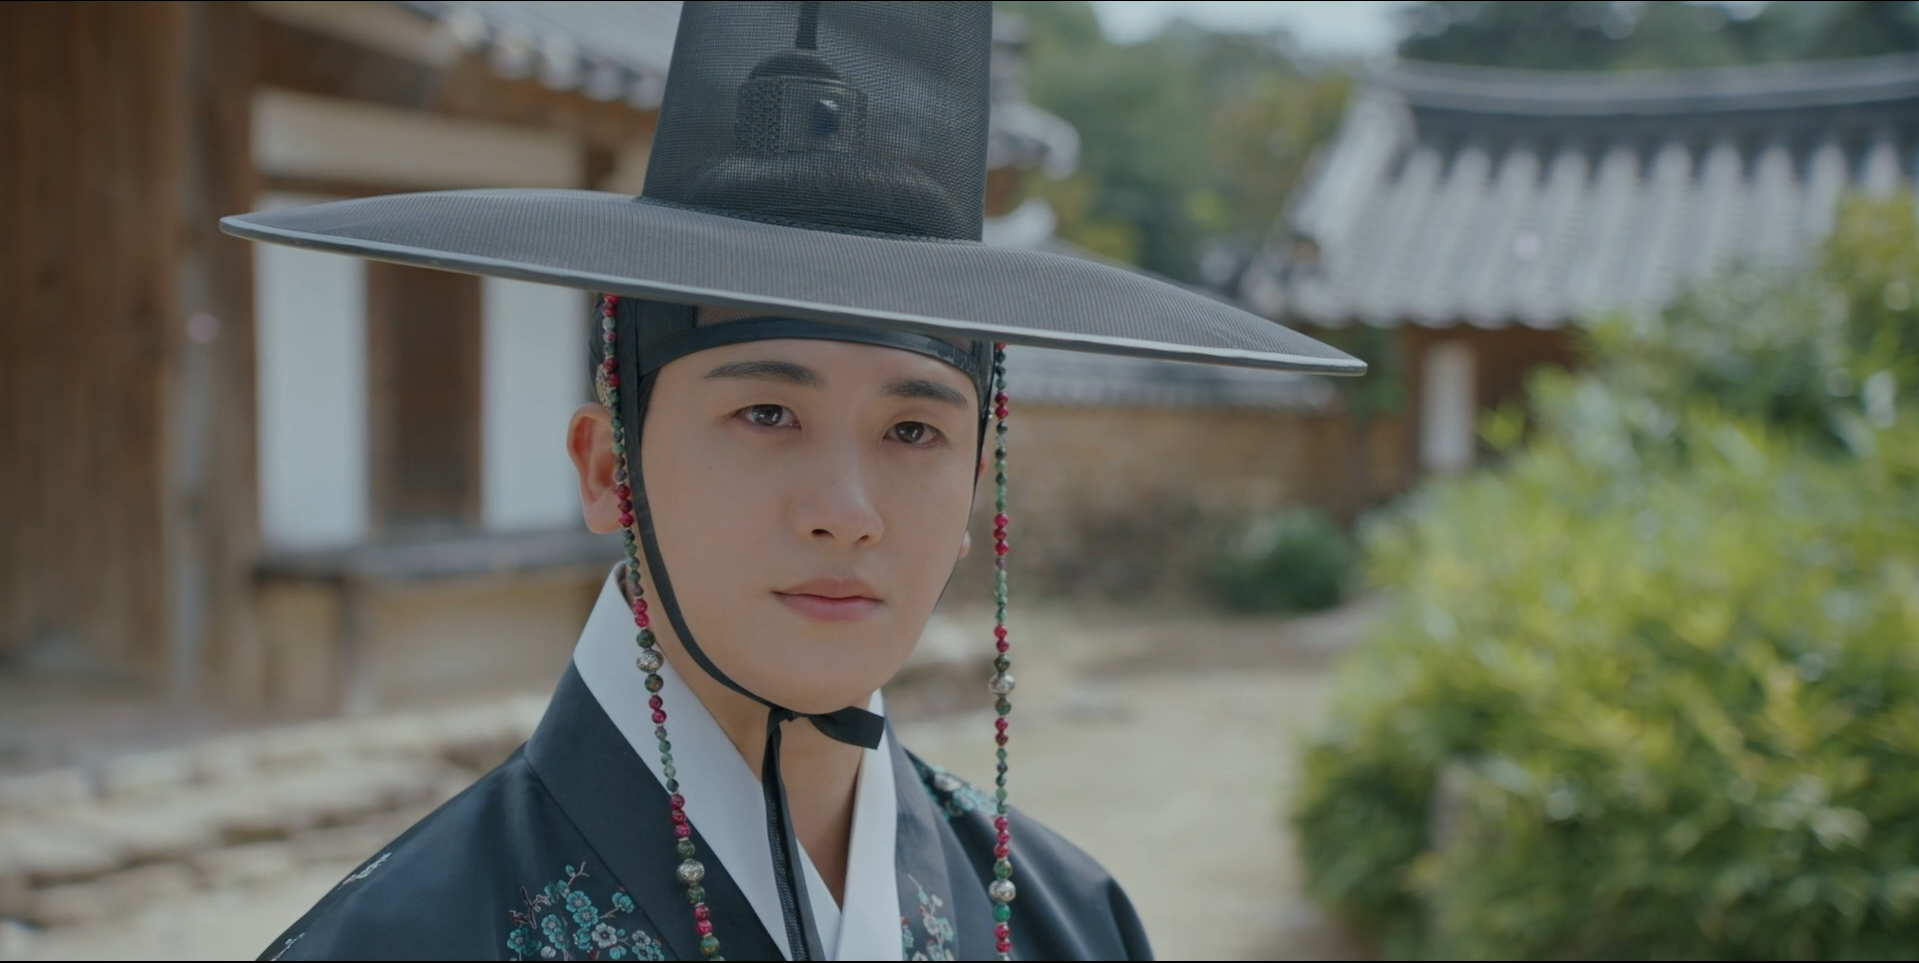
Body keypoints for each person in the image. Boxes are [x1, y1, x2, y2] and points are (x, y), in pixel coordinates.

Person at [228, 3, 1361, 960]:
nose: (846, 513)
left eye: (913, 430)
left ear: (977, 485)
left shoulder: (1069, 925)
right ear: (608, 467)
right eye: (766, 413)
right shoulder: (404, 938)